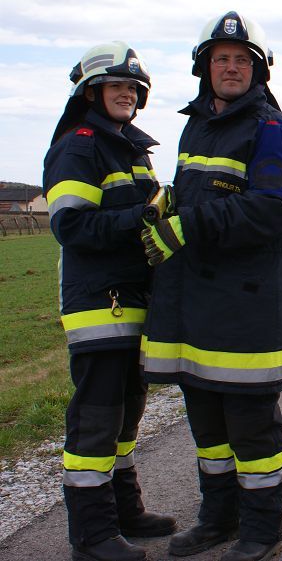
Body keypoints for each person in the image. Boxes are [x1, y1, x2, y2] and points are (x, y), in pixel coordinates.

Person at [140, 12, 282, 561]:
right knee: (207, 428)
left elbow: (271, 211)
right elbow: (197, 193)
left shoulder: (273, 130)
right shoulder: (197, 126)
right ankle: (218, 518)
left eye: (241, 59)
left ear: (258, 71)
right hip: (192, 308)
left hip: (245, 308)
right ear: (204, 69)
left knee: (252, 431)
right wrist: (168, 206)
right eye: (221, 59)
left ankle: (262, 530)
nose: (230, 67)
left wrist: (188, 224)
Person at [43, 42, 176, 561]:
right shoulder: (79, 146)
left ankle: (125, 511)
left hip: (135, 299)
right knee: (97, 419)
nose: (127, 93)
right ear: (91, 92)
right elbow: (71, 226)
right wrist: (142, 219)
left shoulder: (131, 149)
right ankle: (92, 535)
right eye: (116, 85)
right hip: (100, 304)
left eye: (134, 87)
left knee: (126, 414)